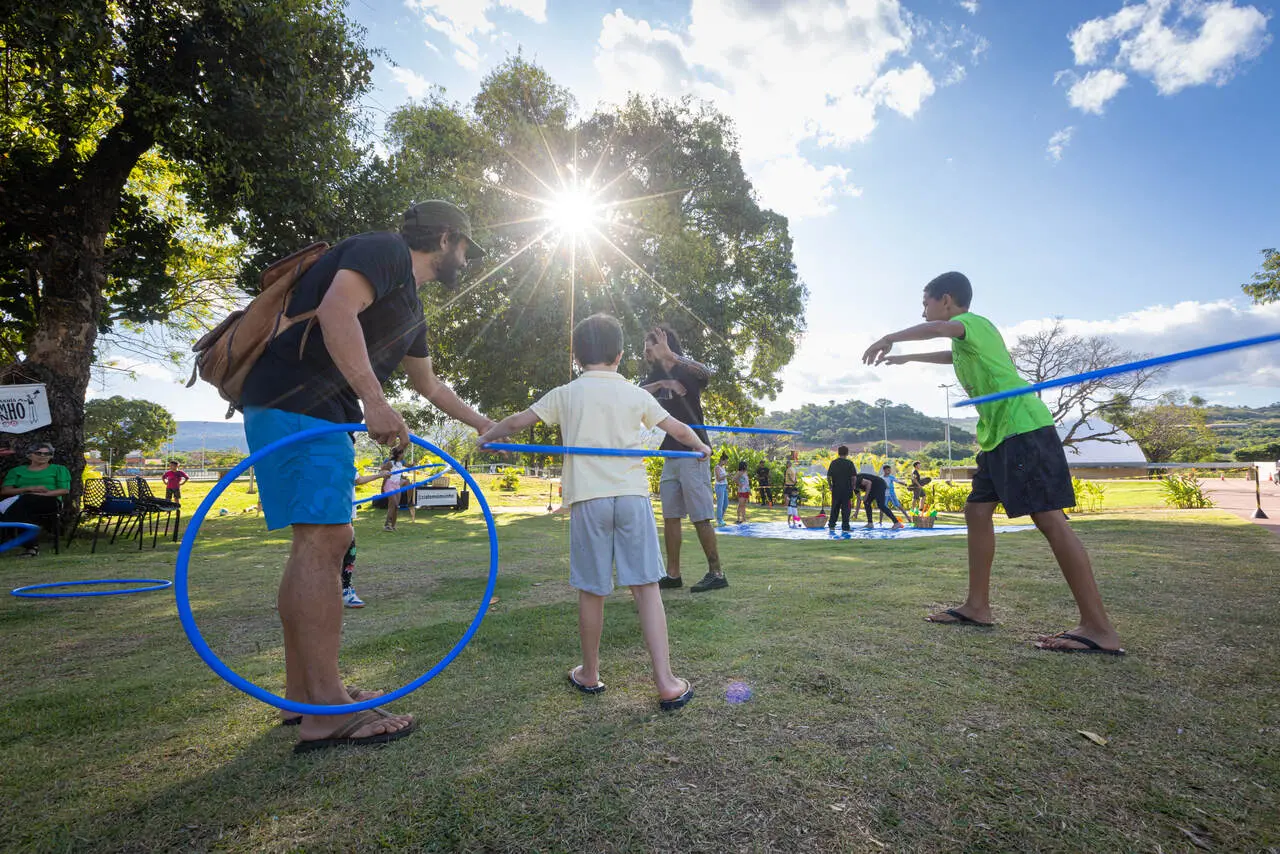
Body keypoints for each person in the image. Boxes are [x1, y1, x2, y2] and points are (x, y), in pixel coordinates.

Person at [239, 199, 495, 752]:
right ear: (447, 238)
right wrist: (374, 402)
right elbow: (336, 312)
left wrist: (485, 426)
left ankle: (302, 694)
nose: (468, 260)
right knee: (326, 540)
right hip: (302, 407)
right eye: (467, 248)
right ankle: (327, 710)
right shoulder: (384, 251)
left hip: (300, 410)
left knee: (317, 541)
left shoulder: (409, 306)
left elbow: (430, 386)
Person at [863, 271, 1123, 655]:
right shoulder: (967, 341)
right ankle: (978, 606)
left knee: (1049, 520)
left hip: (1023, 431)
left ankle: (1099, 628)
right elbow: (945, 352)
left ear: (946, 300)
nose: (925, 311)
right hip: (998, 437)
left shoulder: (972, 323)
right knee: (976, 511)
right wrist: (905, 359)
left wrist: (890, 338)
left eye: (926, 304)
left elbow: (936, 330)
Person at [478, 313, 703, 711]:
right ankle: (667, 682)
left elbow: (515, 423)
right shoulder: (636, 394)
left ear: (577, 355)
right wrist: (701, 447)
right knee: (646, 587)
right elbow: (680, 429)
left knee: (593, 589)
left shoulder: (566, 392)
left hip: (589, 500)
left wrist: (488, 436)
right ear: (619, 355)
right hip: (631, 498)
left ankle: (591, 673)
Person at [642, 324, 728, 593]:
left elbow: (707, 372)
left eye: (650, 346)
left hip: (694, 452)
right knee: (671, 515)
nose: (645, 352)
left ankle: (716, 573)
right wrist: (661, 383)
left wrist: (672, 356)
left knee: (700, 515)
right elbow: (636, 394)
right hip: (669, 454)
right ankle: (673, 574)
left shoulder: (686, 371)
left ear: (665, 345)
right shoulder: (654, 376)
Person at [0, 442, 70, 557]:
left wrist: (40, 495)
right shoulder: (17, 471)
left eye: (47, 454)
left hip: (50, 501)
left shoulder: (59, 469)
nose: (43, 456)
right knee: (23, 507)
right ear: (30, 455)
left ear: (51, 456)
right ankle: (31, 547)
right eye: (39, 453)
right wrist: (29, 488)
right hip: (22, 501)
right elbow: (5, 491)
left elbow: (64, 490)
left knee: (23, 503)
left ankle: (22, 544)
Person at [826, 446, 856, 532]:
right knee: (846, 509)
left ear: (838, 453)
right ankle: (845, 527)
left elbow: (828, 476)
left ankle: (832, 525)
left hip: (836, 489)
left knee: (834, 507)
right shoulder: (849, 463)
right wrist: (853, 486)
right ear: (847, 453)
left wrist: (830, 486)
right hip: (847, 489)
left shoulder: (833, 463)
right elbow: (854, 477)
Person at [713, 454, 729, 526]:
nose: (726, 463)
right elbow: (719, 479)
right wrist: (726, 475)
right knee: (720, 504)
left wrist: (727, 486)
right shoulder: (717, 468)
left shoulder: (723, 468)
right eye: (726, 461)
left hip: (724, 486)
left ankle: (721, 518)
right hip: (719, 487)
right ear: (722, 460)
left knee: (725, 504)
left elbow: (724, 479)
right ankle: (719, 520)